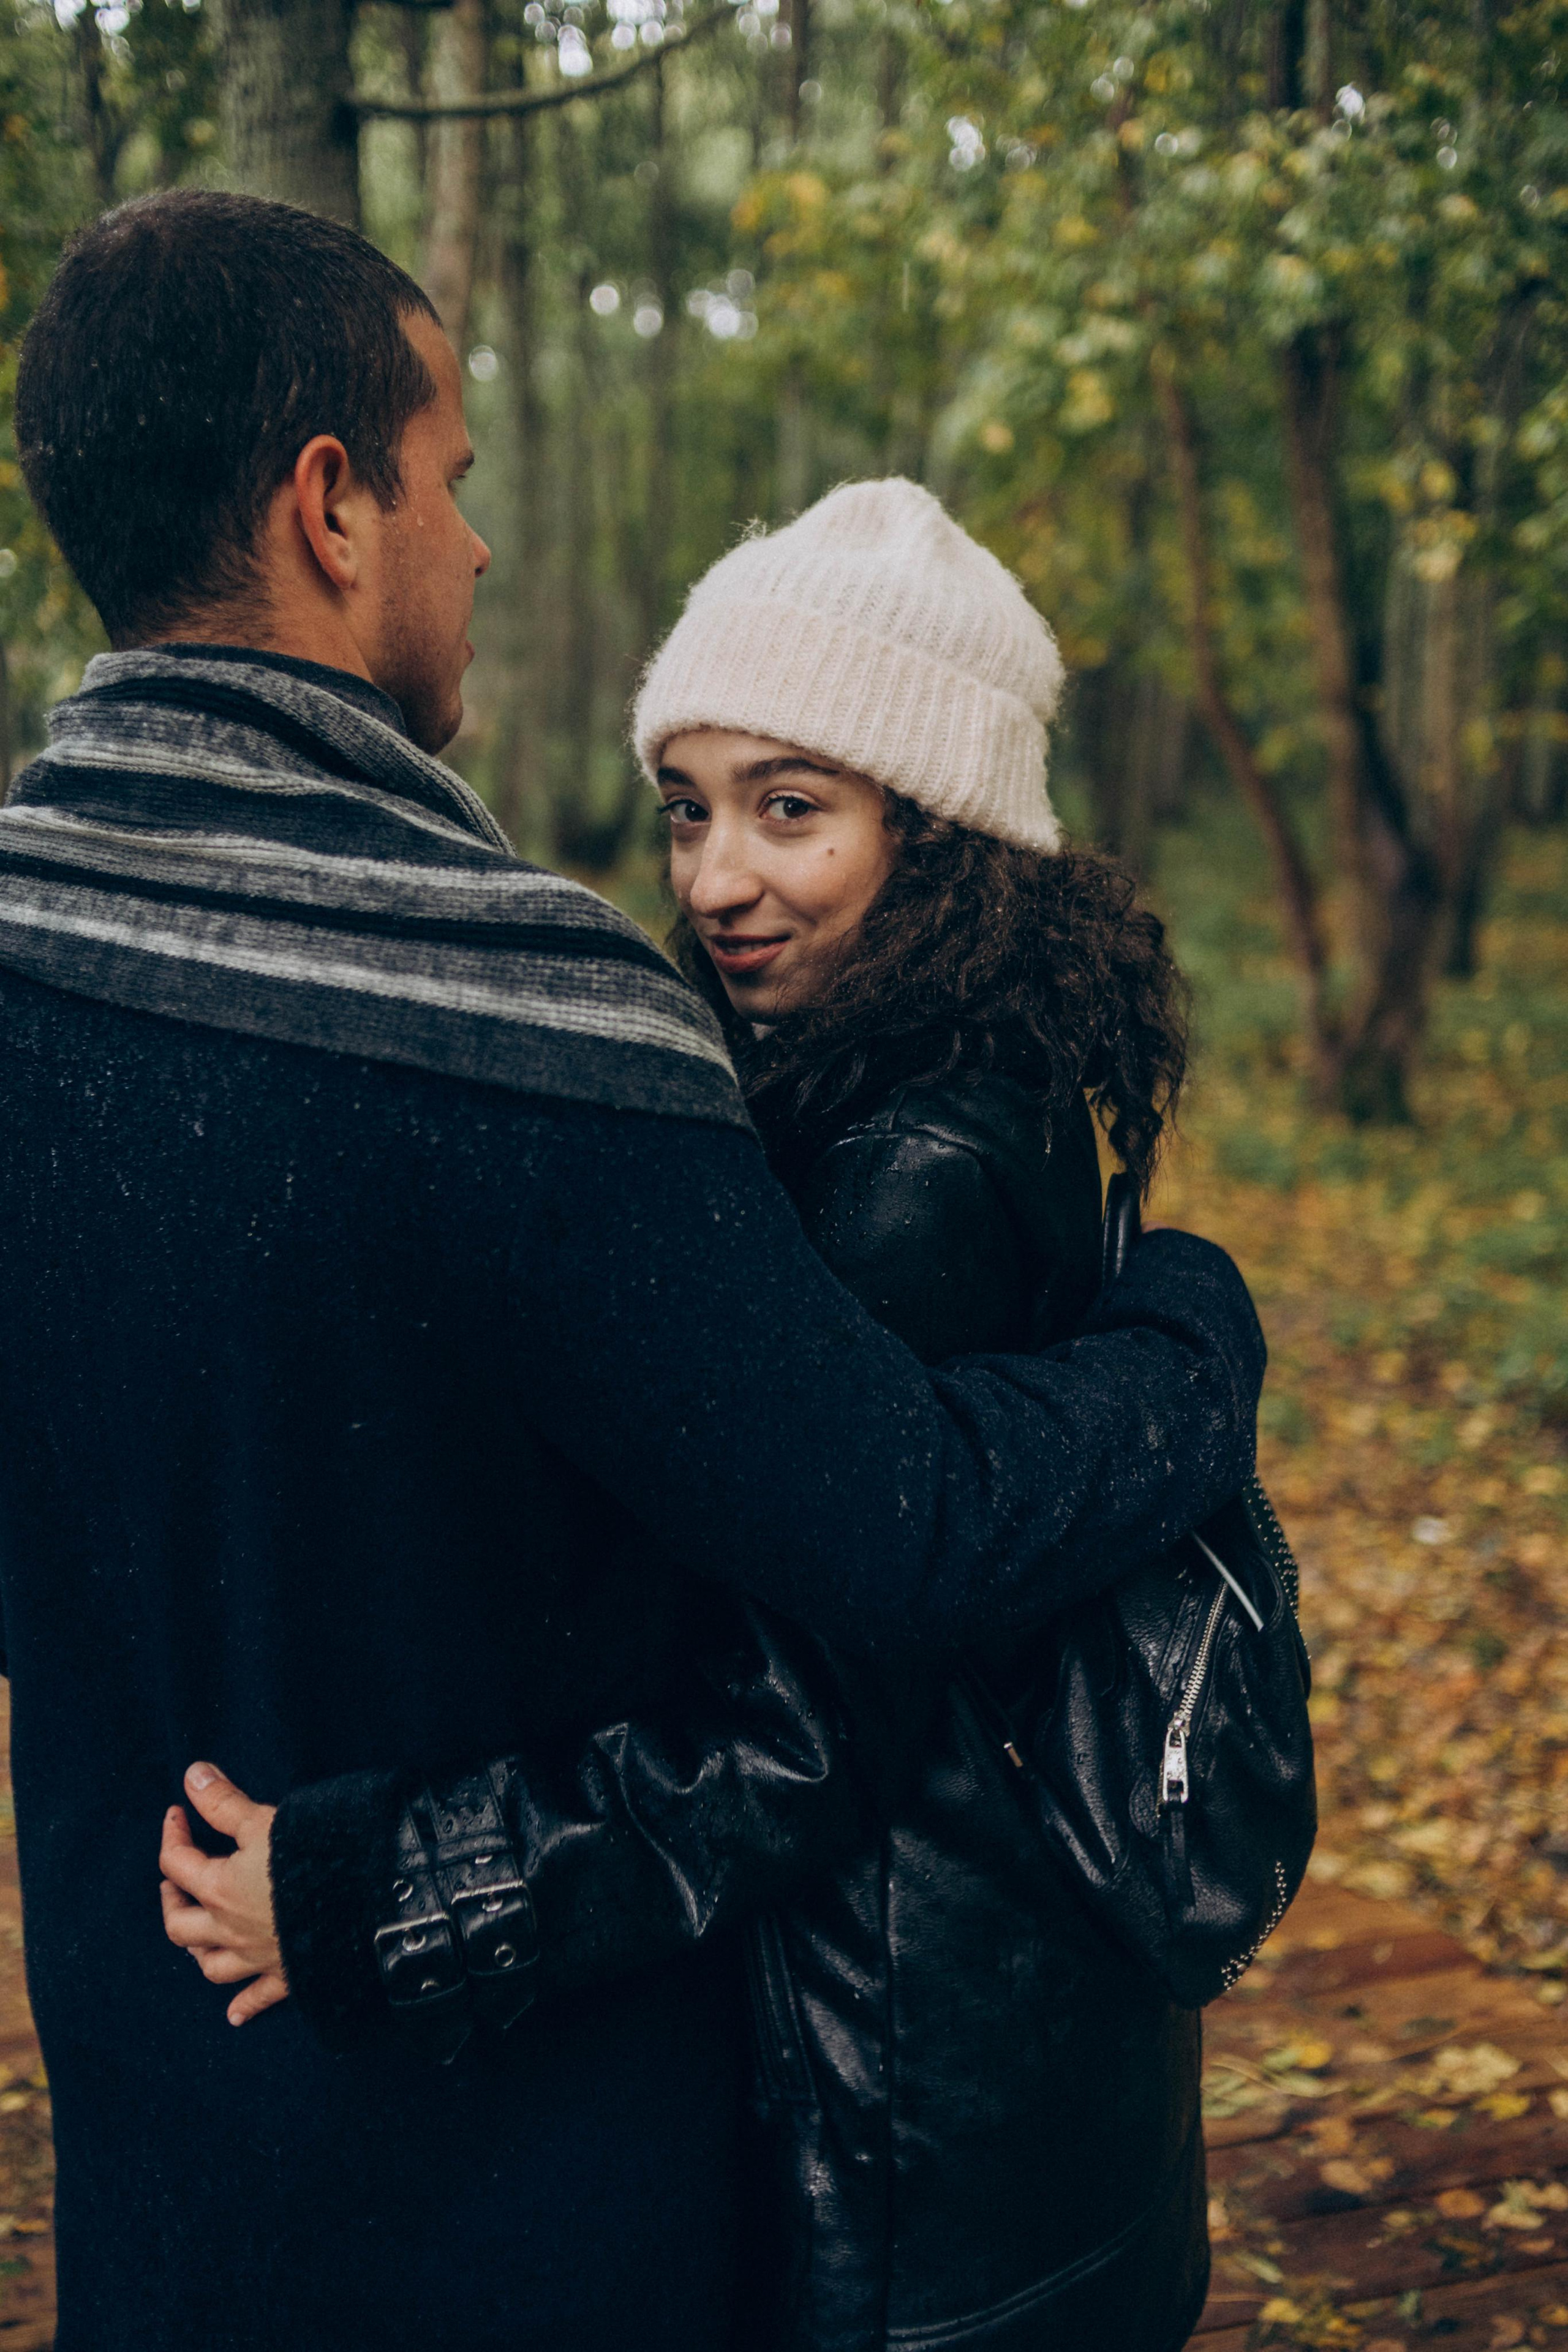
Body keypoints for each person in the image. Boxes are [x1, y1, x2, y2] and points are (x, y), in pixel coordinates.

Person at [0, 190, 1262, 2352]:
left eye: (790, 809)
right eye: (453, 481)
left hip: (168, 2111)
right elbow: (906, 1521)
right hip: (521, 2193)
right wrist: (1195, 1334)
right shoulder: (537, 1030)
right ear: (332, 505)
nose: (479, 546)